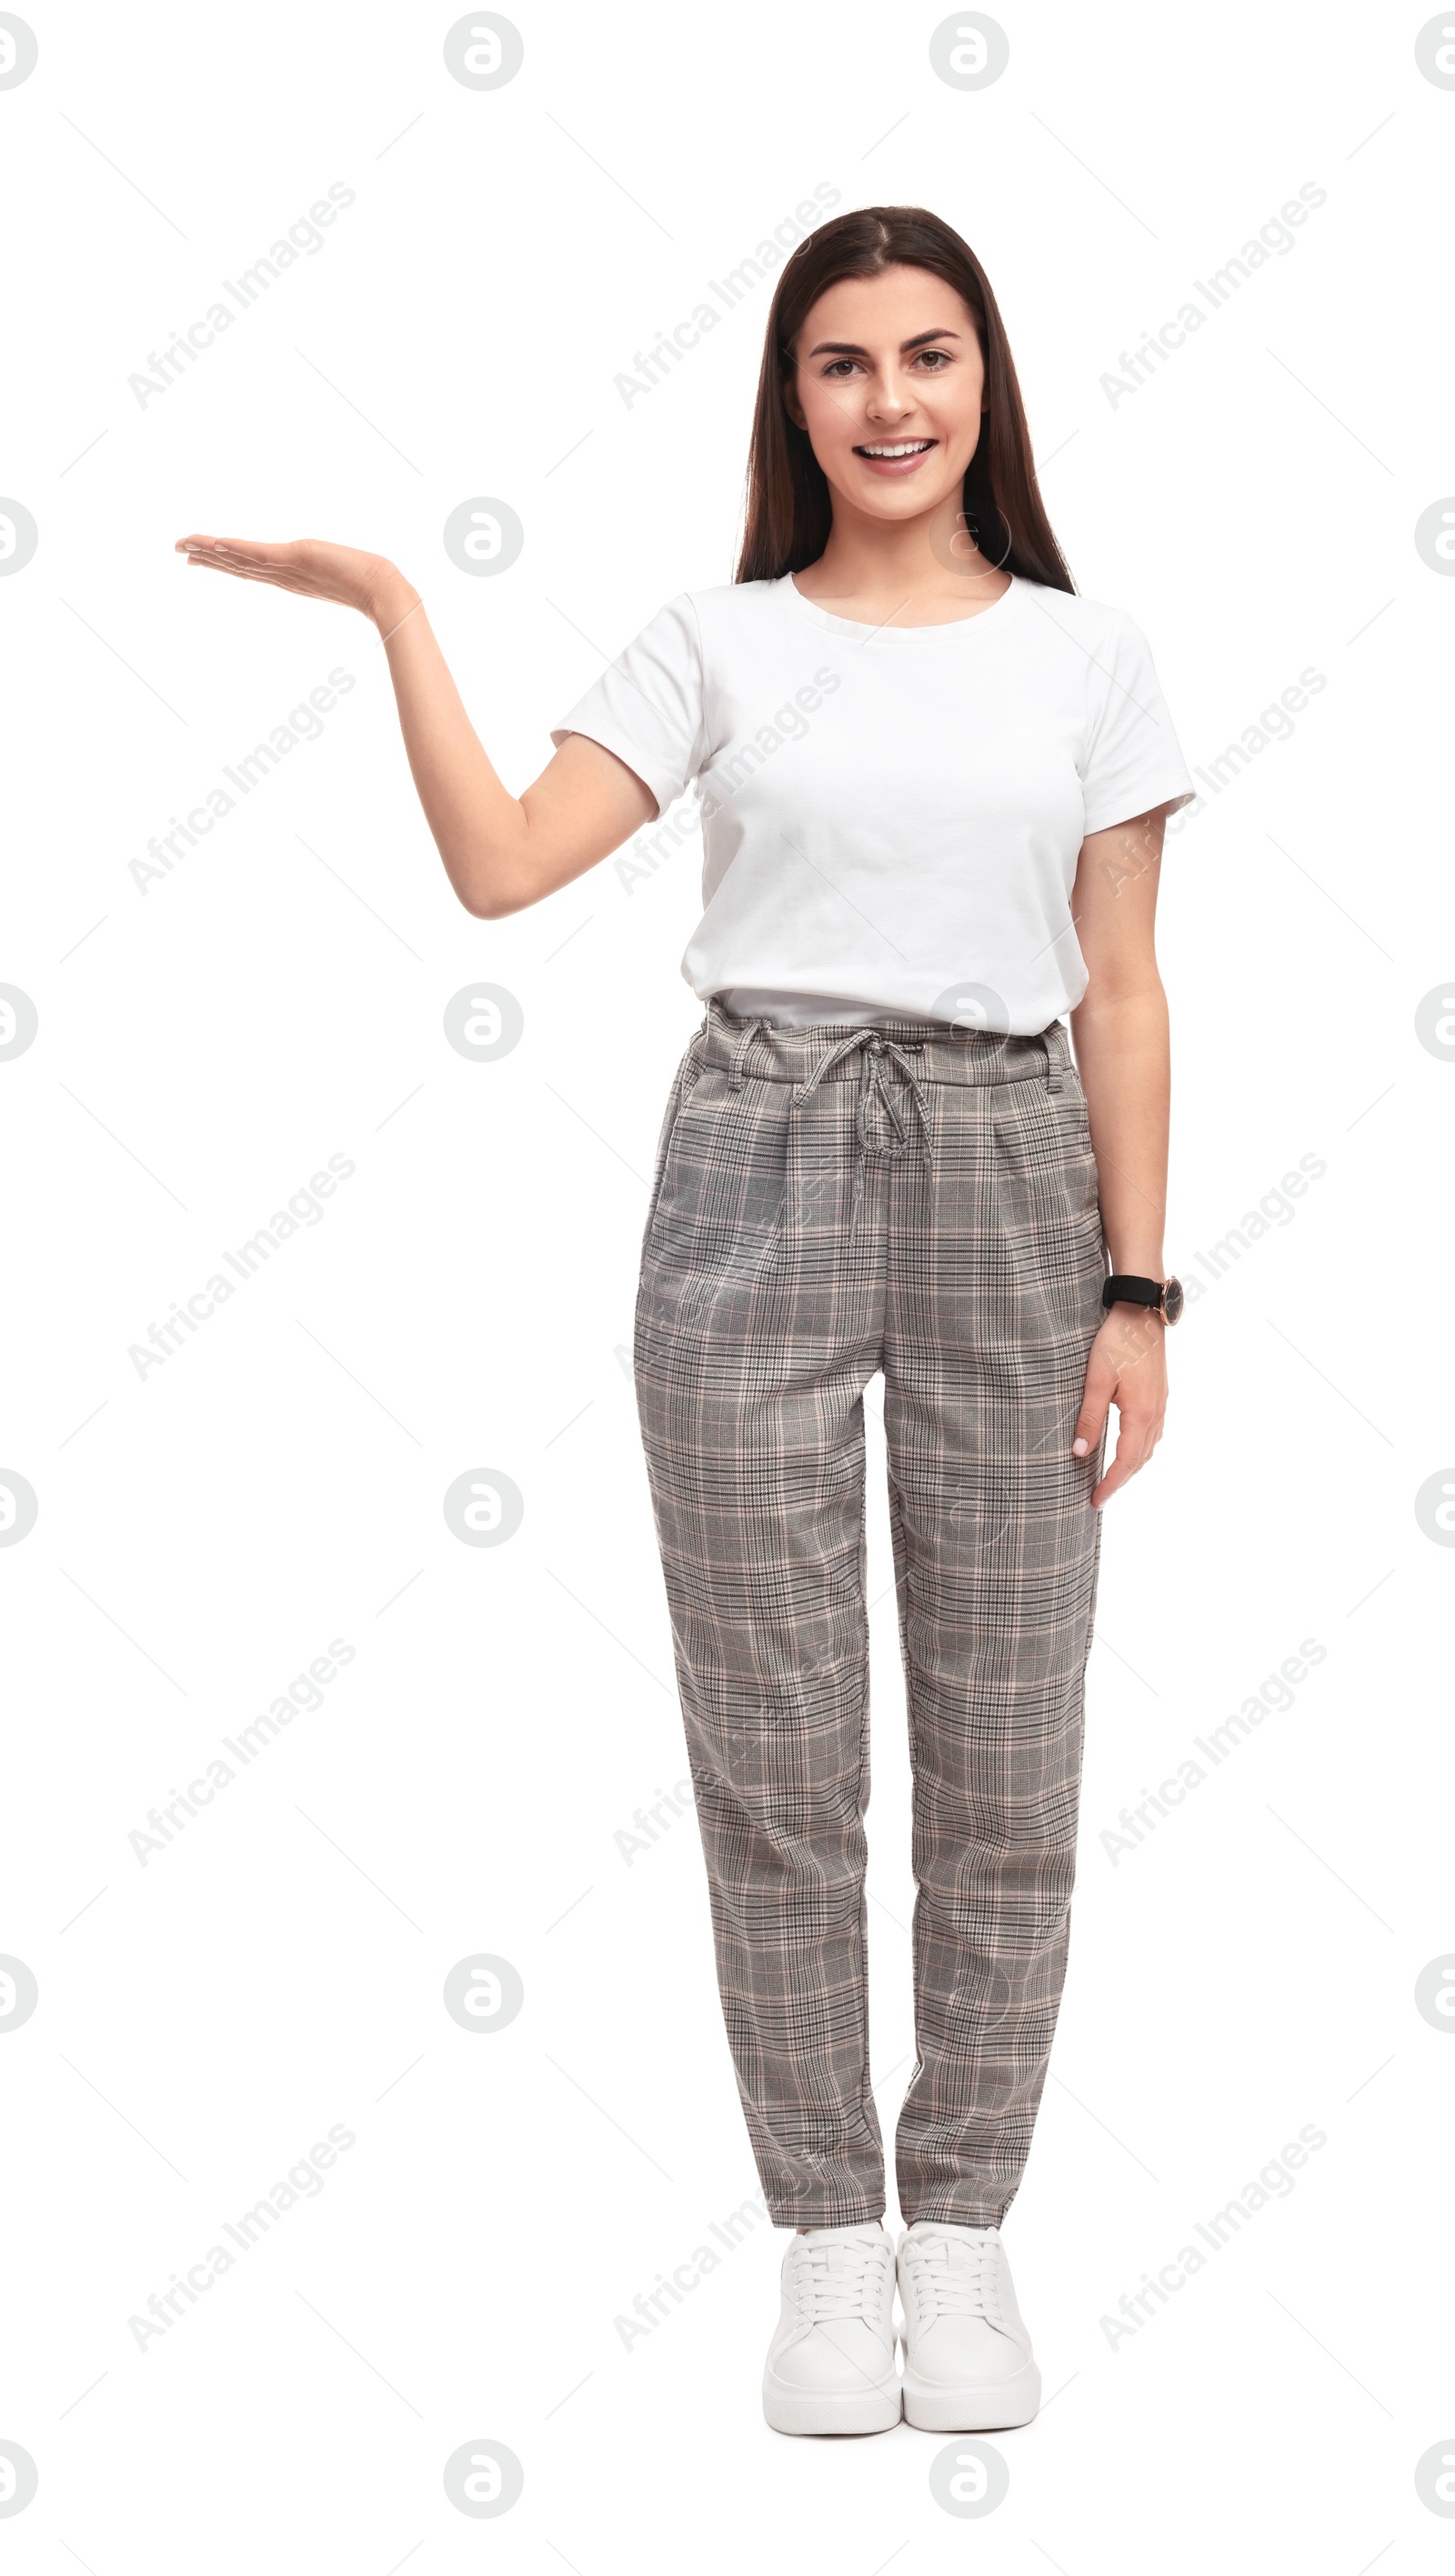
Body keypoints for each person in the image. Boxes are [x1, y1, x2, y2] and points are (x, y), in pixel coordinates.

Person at [176, 203, 1193, 2440]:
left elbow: (1120, 984)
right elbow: (508, 865)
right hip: (754, 1144)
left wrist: (1138, 1284)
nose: (894, 401)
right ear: (792, 399)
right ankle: (829, 2235)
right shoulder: (714, 639)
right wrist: (393, 617)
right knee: (773, 1734)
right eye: (845, 365)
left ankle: (966, 2228)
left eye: (932, 356)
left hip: (1018, 1169)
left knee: (1008, 1735)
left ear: (987, 382)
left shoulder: (1086, 654)